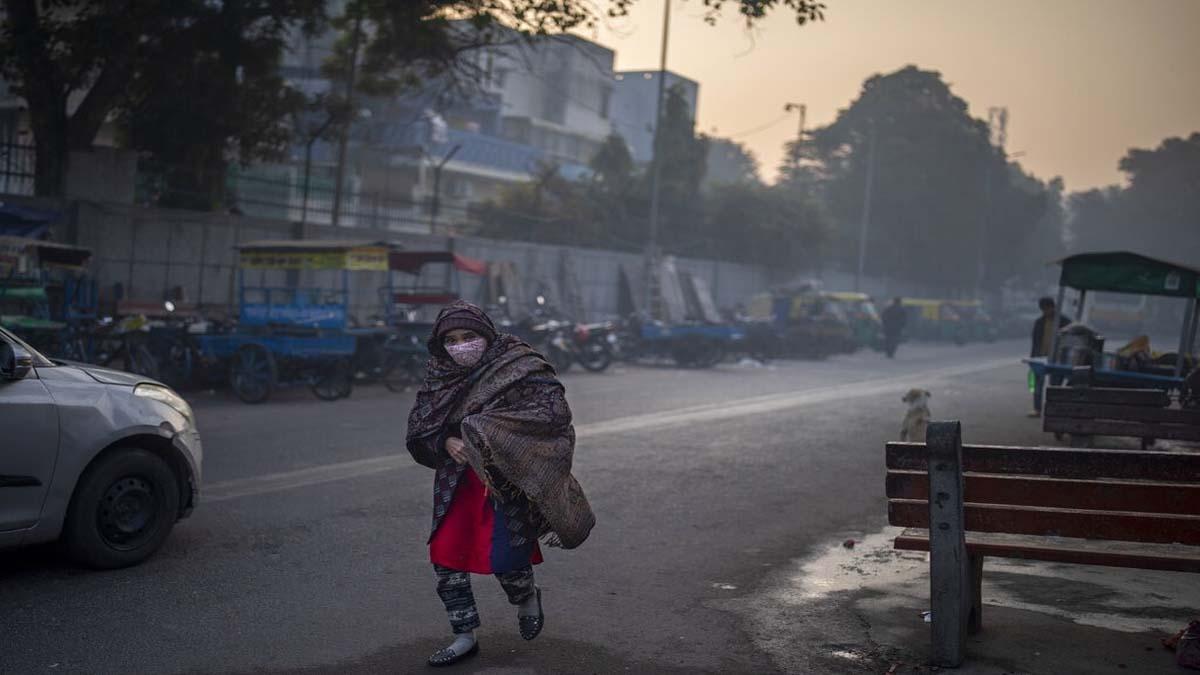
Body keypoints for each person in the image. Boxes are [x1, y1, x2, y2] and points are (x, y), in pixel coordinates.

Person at [406, 301, 595, 667]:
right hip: (457, 484)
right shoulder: (440, 374)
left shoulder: (519, 365)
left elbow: (552, 414)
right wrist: (445, 441)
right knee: (445, 558)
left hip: (505, 482)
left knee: (506, 558)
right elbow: (420, 427)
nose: (461, 345)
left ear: (487, 335)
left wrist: (484, 432)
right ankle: (463, 636)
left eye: (469, 336)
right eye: (452, 339)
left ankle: (525, 597)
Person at [1028, 296, 1071, 416]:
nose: (1046, 312)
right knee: (1037, 386)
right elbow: (1035, 341)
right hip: (1040, 357)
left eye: (1047, 309)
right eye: (1043, 309)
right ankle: (1037, 409)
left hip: (1058, 359)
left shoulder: (1065, 322)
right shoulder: (1039, 322)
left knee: (1055, 386)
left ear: (1053, 307)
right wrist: (1033, 358)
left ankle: (1054, 410)